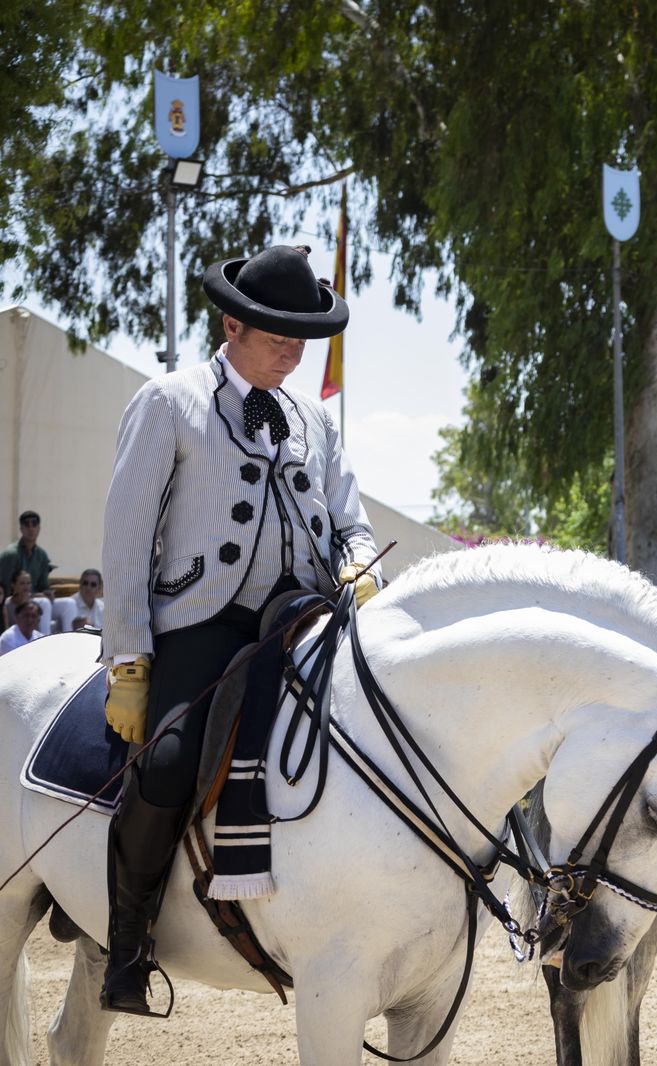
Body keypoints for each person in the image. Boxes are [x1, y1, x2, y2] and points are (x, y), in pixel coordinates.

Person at [98, 244, 383, 1016]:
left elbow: (352, 522)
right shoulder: (168, 402)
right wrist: (129, 659)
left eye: (302, 340)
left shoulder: (314, 420)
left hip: (306, 618)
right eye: (278, 338)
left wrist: (360, 567)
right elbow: (126, 539)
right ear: (232, 326)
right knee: (167, 764)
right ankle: (127, 945)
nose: (292, 353)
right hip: (205, 622)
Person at [0, 510, 53, 601]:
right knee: (44, 602)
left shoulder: (42, 555)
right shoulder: (11, 554)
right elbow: (6, 588)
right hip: (12, 602)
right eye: (27, 525)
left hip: (35, 601)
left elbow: (44, 586)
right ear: (21, 529)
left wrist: (48, 593)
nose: (31, 528)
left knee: (68, 603)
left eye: (34, 524)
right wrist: (34, 596)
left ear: (39, 528)